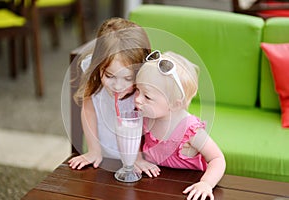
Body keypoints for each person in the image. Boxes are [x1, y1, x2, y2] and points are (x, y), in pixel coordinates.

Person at [68, 18, 160, 177]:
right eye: (110, 75)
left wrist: (137, 157)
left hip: (138, 158)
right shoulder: (94, 74)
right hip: (105, 157)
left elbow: (148, 123)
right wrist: (94, 151)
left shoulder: (145, 86)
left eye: (128, 79)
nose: (118, 86)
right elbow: (88, 111)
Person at [134, 50, 226, 200]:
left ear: (175, 104)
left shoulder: (190, 130)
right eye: (137, 90)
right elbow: (134, 141)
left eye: (147, 96)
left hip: (186, 188)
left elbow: (217, 159)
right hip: (152, 187)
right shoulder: (147, 116)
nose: (137, 99)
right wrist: (137, 159)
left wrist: (206, 184)